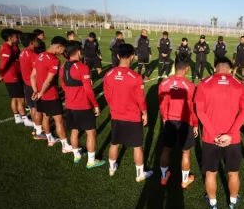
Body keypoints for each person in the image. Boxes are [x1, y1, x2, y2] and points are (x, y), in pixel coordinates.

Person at [194, 57, 244, 209]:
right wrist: (230, 134)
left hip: (211, 139)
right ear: (230, 70)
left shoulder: (204, 83)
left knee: (211, 173)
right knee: (233, 172)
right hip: (233, 139)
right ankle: (232, 202)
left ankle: (213, 204)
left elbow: (200, 111)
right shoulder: (240, 85)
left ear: (214, 68)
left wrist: (214, 135)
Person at [104, 43, 153, 182]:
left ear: (118, 56)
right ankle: (139, 174)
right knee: (137, 146)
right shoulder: (136, 77)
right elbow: (140, 99)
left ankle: (111, 168)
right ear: (132, 56)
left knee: (114, 143)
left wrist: (114, 106)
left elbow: (107, 95)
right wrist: (145, 113)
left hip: (116, 115)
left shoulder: (109, 74)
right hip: (132, 116)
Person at [60, 40, 106, 169]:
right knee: (91, 133)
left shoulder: (63, 67)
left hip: (69, 105)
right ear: (79, 51)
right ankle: (91, 161)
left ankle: (77, 155)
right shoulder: (82, 67)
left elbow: (63, 85)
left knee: (74, 130)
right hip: (83, 106)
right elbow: (88, 90)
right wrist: (96, 105)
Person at [158, 53, 198, 188]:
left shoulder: (164, 83)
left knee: (166, 149)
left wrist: (164, 118)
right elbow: (193, 108)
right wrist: (196, 124)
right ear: (187, 68)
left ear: (175, 66)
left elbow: (161, 103)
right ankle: (185, 180)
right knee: (185, 152)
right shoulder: (191, 86)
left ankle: (164, 177)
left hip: (169, 121)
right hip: (185, 122)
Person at [30, 36, 73, 152]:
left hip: (40, 93)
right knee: (58, 120)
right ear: (58, 46)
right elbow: (48, 81)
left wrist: (36, 91)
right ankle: (65, 145)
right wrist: (42, 92)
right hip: (51, 95)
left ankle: (50, 139)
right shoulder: (54, 60)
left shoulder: (40, 56)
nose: (62, 52)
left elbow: (32, 76)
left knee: (45, 117)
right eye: (62, 49)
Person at [0, 29, 31, 126]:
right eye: (15, 36)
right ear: (10, 38)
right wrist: (1, 74)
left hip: (15, 74)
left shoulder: (14, 46)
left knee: (15, 98)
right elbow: (3, 64)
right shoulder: (7, 48)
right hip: (12, 76)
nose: (17, 38)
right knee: (21, 98)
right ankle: (25, 119)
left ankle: (17, 117)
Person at [19, 33, 42, 132]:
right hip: (34, 85)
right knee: (38, 109)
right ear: (32, 43)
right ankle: (39, 131)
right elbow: (37, 72)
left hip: (26, 84)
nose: (38, 41)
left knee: (32, 107)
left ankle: (35, 128)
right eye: (37, 40)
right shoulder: (34, 55)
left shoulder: (22, 52)